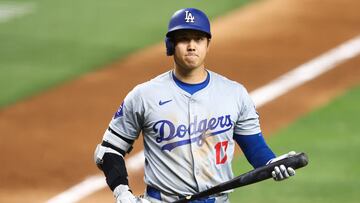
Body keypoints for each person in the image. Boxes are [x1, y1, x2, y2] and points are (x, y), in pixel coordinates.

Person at [94, 8, 296, 203]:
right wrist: (123, 193)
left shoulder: (235, 93)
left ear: (208, 44)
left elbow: (255, 148)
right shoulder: (144, 95)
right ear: (171, 44)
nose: (192, 46)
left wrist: (272, 164)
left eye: (198, 39)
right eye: (184, 39)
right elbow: (108, 151)